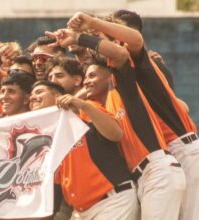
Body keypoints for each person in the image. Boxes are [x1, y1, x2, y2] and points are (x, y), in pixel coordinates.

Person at [50, 13, 187, 219]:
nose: (87, 81)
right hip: (146, 177)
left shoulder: (125, 85)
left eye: (93, 75)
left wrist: (80, 37)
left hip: (159, 168)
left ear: (109, 72)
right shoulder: (105, 102)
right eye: (86, 76)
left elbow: (121, 54)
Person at [29, 80, 138, 220]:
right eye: (31, 95)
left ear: (58, 96)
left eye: (39, 92)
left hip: (112, 202)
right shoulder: (46, 138)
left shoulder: (82, 111)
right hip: (80, 213)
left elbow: (116, 134)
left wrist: (83, 104)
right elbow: (55, 192)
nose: (32, 97)